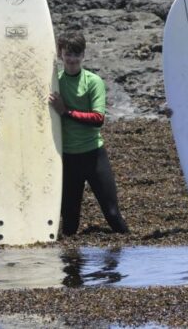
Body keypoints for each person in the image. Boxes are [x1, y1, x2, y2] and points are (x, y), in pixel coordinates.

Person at [49, 30, 129, 236]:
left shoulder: (93, 82)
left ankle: (130, 254)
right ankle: (70, 258)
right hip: (68, 159)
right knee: (69, 222)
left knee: (112, 214)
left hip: (94, 156)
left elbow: (97, 119)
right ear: (60, 54)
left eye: (77, 54)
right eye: (68, 54)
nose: (72, 59)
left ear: (83, 55)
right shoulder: (55, 84)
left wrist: (66, 112)